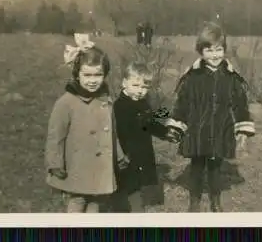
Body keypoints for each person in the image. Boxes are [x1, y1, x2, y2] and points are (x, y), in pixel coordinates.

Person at [169, 22, 255, 212]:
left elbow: (240, 104)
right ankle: (194, 201)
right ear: (201, 52)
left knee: (216, 168)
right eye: (209, 50)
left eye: (218, 50)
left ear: (224, 50)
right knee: (197, 167)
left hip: (220, 129)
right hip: (197, 131)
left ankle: (216, 201)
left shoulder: (231, 77)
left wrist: (242, 128)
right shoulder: (193, 76)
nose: (214, 55)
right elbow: (182, 102)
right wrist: (176, 125)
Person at [45, 33, 129, 213]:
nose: (92, 80)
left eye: (98, 75)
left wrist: (119, 155)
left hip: (99, 165)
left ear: (104, 74)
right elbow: (55, 136)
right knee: (78, 199)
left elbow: (111, 132)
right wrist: (54, 163)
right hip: (78, 165)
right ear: (77, 74)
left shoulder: (105, 100)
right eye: (87, 75)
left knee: (96, 201)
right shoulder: (66, 103)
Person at [111, 62, 178, 212]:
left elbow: (150, 123)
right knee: (126, 186)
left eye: (144, 87)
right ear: (124, 83)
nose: (140, 91)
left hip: (141, 152)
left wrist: (165, 133)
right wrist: (122, 155)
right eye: (136, 85)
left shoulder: (143, 103)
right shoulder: (120, 106)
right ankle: (130, 212)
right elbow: (118, 132)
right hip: (126, 154)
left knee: (136, 184)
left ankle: (132, 210)